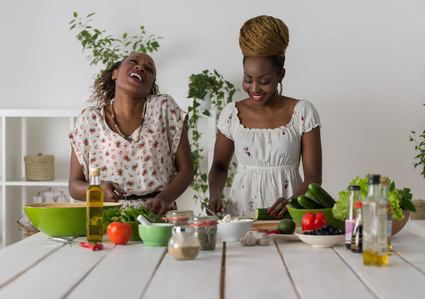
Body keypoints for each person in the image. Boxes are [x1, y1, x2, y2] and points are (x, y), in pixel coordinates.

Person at [208, 15, 322, 218]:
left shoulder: (302, 112)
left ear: (281, 75)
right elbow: (218, 166)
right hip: (239, 215)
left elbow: (314, 176)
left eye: (264, 81)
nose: (254, 88)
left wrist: (294, 202)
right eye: (247, 79)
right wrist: (215, 194)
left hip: (287, 216)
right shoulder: (231, 114)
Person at [69, 52, 194, 215]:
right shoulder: (90, 119)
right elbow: (73, 185)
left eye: (149, 69)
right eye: (134, 62)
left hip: (157, 216)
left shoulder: (164, 108)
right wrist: (97, 189)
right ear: (115, 74)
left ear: (151, 86)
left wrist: (165, 198)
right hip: (108, 219)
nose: (140, 67)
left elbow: (187, 170)